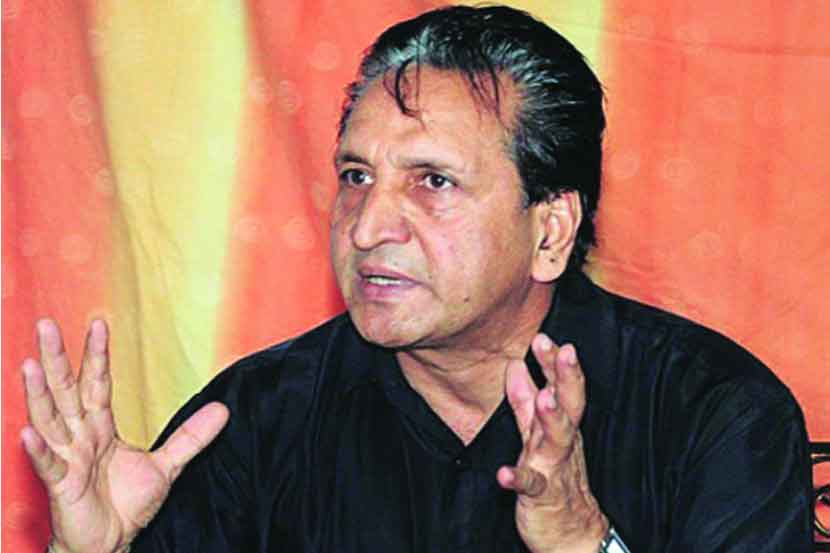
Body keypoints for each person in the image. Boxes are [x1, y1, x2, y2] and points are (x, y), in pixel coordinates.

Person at [21, 5, 813, 553]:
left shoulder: (714, 416)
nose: (367, 227)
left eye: (433, 182)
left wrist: (583, 541)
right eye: (356, 176)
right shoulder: (257, 421)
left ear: (550, 231)